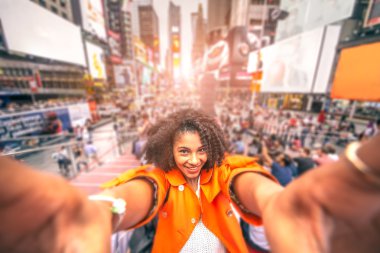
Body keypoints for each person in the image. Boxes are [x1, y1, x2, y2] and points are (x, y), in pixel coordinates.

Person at [1, 109, 380, 253]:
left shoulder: (228, 170)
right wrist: (101, 210)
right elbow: (138, 194)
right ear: (170, 153)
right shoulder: (162, 180)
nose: (194, 160)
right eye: (184, 152)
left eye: (201, 151)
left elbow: (249, 183)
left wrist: (277, 201)